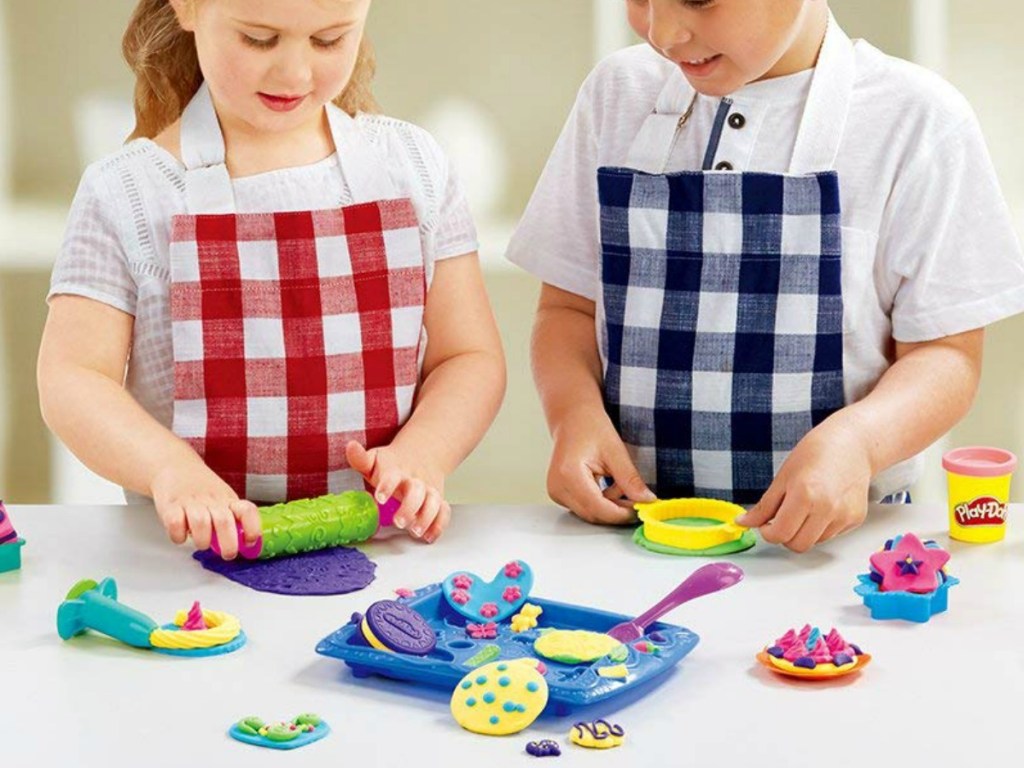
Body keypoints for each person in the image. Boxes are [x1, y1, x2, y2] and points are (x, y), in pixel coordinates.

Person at [507, 0, 1024, 551]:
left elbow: (947, 356)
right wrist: (572, 416)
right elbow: (568, 310)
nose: (663, 32)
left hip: (835, 548)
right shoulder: (617, 94)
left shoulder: (917, 121)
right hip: (635, 537)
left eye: (699, 0)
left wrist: (860, 442)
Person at [38, 0, 505, 557]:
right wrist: (170, 471)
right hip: (196, 560)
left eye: (329, 40)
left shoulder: (414, 167)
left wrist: (426, 452)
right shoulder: (130, 192)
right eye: (260, 39)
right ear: (188, 9)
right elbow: (73, 378)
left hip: (381, 550)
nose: (295, 74)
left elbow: (468, 356)